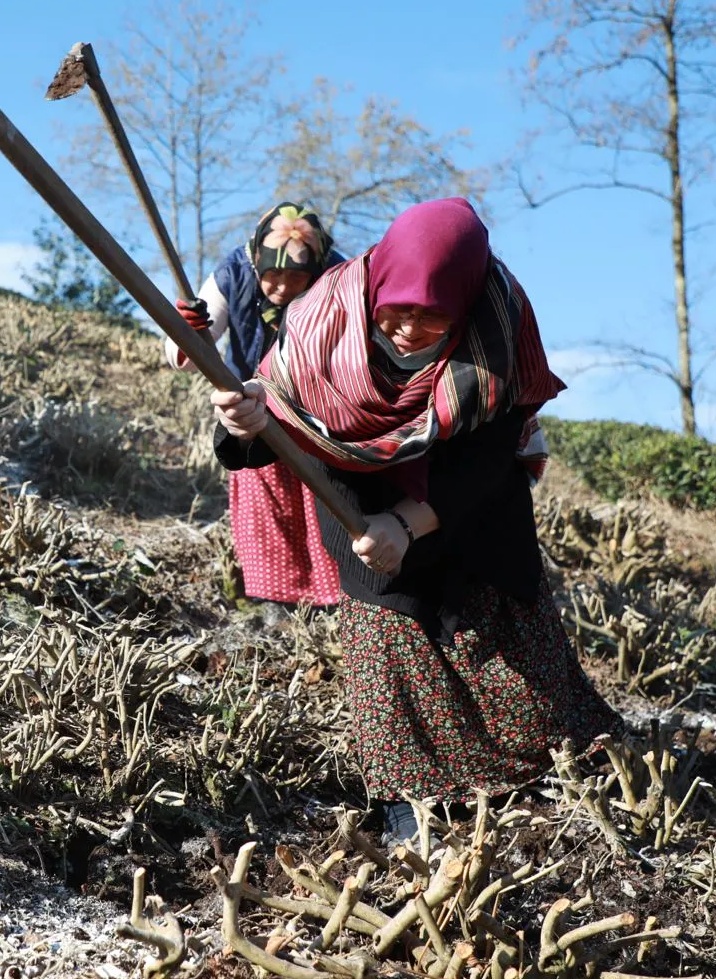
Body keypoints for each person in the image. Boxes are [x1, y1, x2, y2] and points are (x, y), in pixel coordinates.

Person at [211, 197, 622, 845]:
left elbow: (488, 458)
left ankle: (551, 770)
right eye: (396, 311)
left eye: (431, 319)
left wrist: (411, 521)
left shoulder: (497, 327)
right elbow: (279, 410)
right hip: (358, 503)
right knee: (391, 646)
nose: (406, 330)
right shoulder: (324, 315)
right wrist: (247, 420)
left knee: (509, 659)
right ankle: (414, 798)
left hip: (471, 509)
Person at [168, 201, 343, 607]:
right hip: (251, 409)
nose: (282, 288)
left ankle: (333, 598)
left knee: (323, 498)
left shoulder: (339, 277)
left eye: (295, 276)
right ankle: (275, 600)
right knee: (264, 501)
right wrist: (190, 333)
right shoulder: (233, 273)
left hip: (318, 409)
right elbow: (181, 356)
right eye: (273, 276)